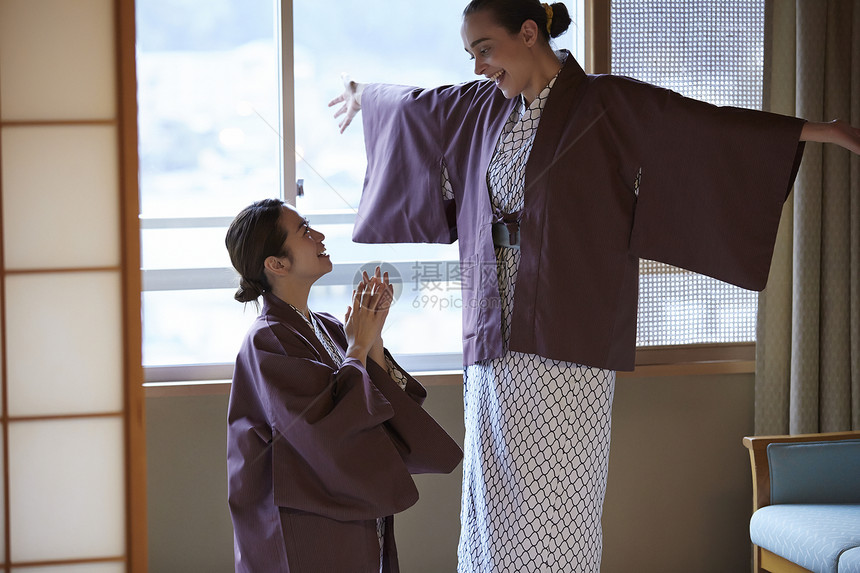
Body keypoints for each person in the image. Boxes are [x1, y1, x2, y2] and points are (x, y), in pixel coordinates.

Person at [328, 1, 860, 571]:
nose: (479, 66)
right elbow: (415, 107)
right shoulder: (481, 107)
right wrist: (365, 94)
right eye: (471, 55)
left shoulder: (606, 103)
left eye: (485, 49)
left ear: (529, 33)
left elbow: (701, 126)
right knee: (493, 510)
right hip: (493, 333)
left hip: (568, 334)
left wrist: (820, 131)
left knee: (557, 507)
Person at [224, 198, 463, 573]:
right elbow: (324, 430)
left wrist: (373, 345)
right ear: (277, 264)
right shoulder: (267, 340)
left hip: (347, 507)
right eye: (304, 231)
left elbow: (384, 405)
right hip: (305, 517)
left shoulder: (331, 327)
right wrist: (358, 349)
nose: (318, 236)